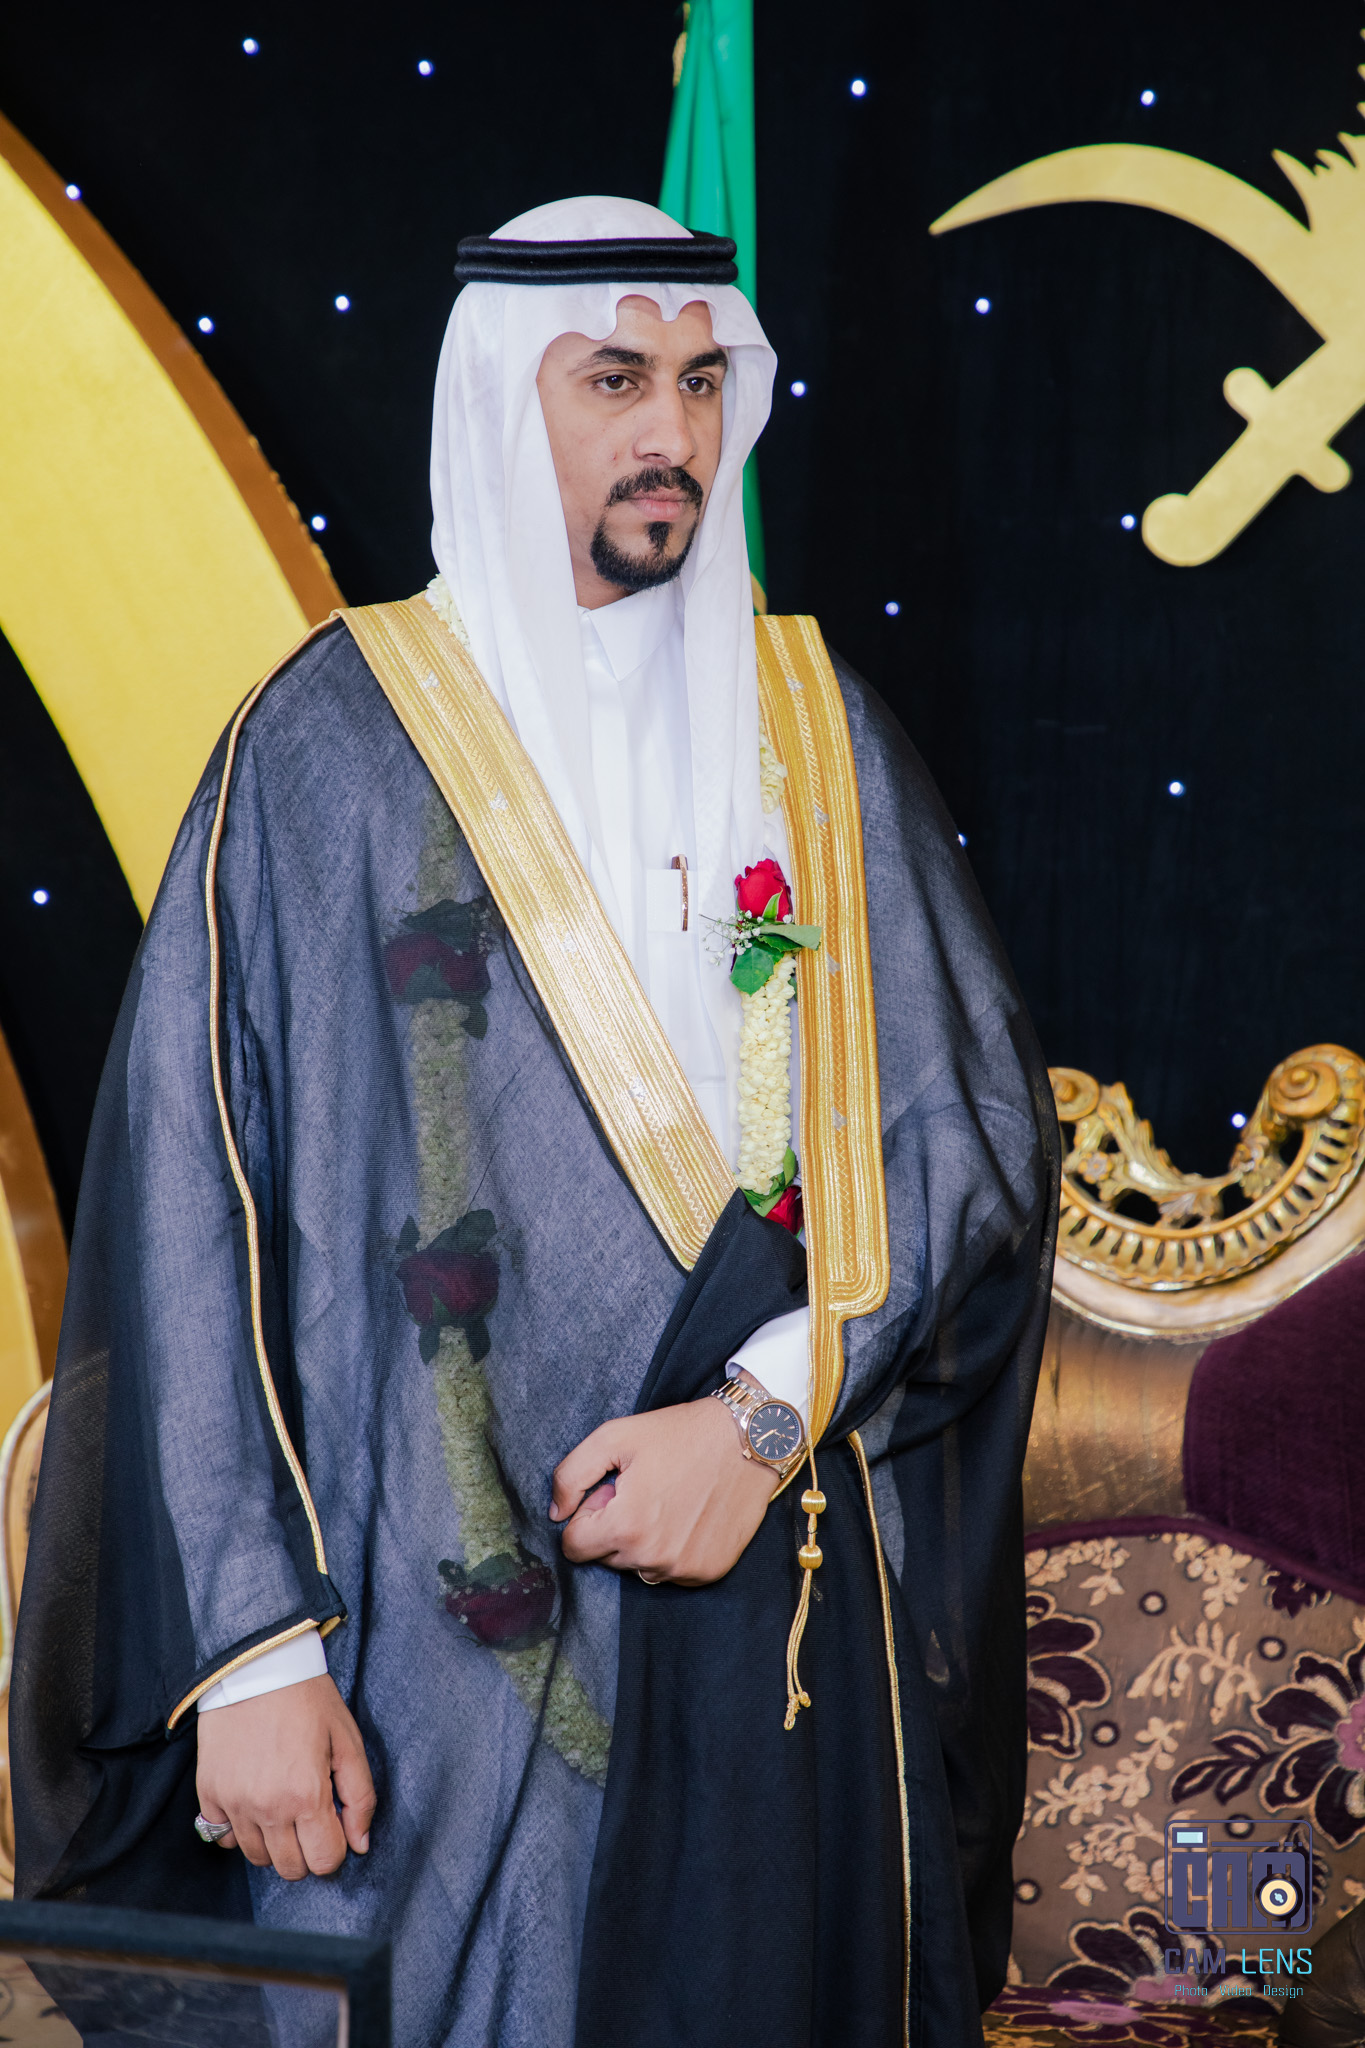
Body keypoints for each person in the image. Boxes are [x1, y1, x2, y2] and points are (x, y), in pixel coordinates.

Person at [13, 196, 1059, 2048]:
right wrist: (248, 1656)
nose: (672, 430)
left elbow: (960, 1137)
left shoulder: (817, 734)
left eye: (701, 381)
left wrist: (756, 1422)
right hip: (411, 1624)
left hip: (765, 1595)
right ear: (506, 404)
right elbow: (193, 1204)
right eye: (614, 380)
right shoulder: (326, 747)